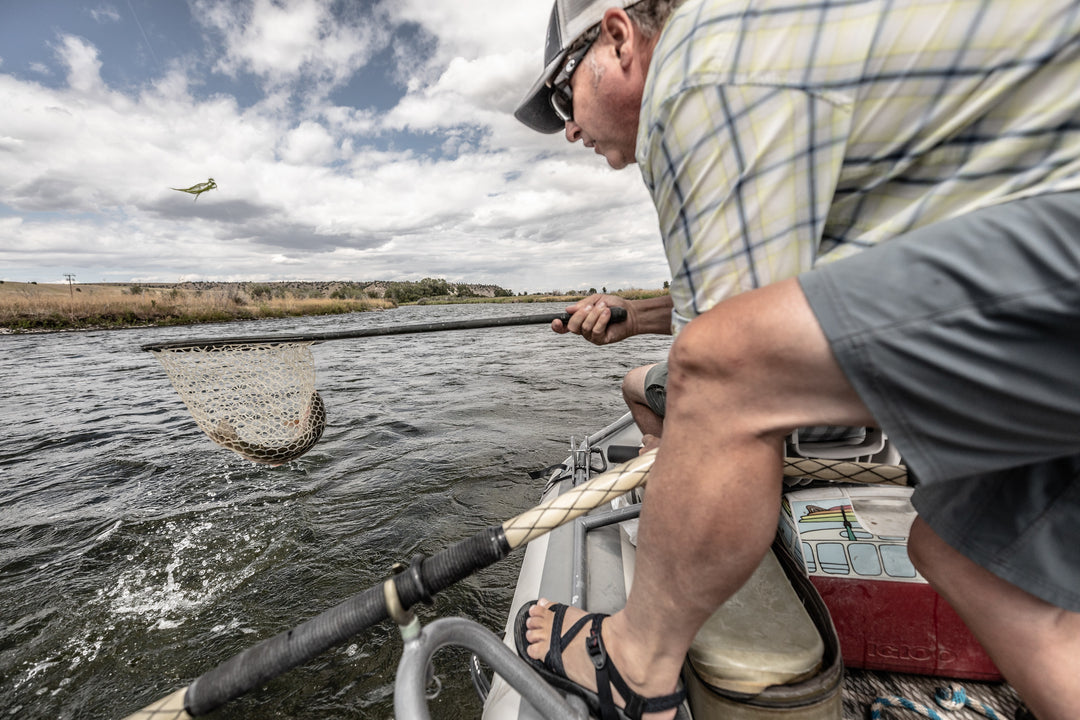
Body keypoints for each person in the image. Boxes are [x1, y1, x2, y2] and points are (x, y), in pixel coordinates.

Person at [513, 1, 1080, 719]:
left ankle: (635, 660)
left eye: (565, 93)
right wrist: (638, 316)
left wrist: (701, 389)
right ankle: (697, 521)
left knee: (718, 372)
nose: (568, 125)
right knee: (973, 556)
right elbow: (799, 286)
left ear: (620, 38)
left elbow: (722, 351)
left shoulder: (697, 70)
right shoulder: (760, 45)